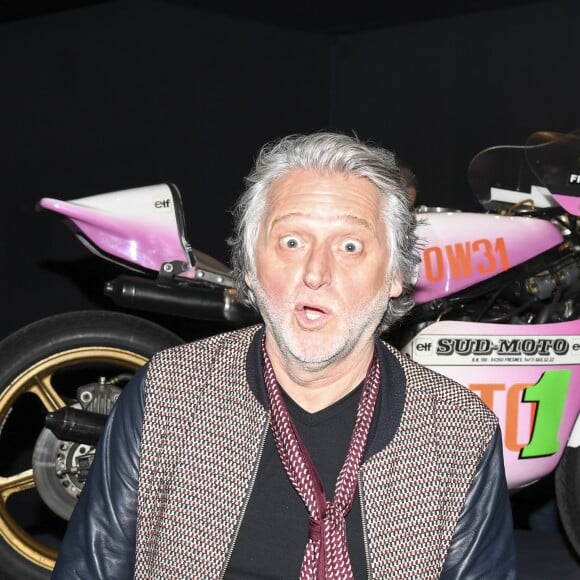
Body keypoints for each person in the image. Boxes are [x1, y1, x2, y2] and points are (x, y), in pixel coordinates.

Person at [52, 132, 516, 579]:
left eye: (350, 246)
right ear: (251, 268)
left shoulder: (457, 429)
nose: (316, 272)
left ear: (395, 274)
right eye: (292, 242)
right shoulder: (169, 393)